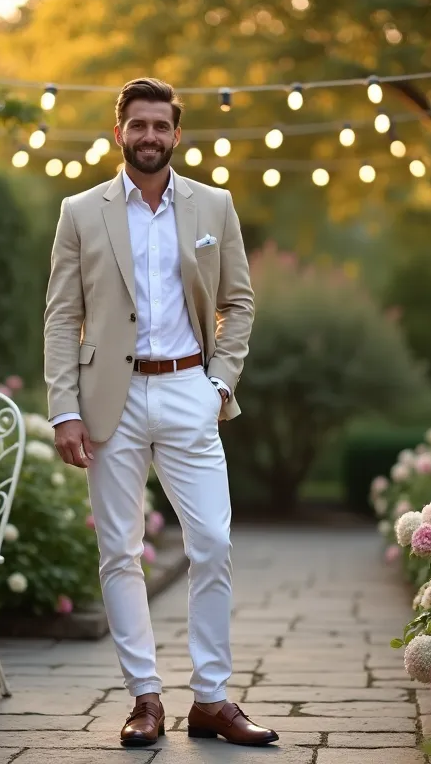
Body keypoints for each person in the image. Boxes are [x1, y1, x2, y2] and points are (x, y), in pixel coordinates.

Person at [43, 77, 277, 748]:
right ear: (119, 132)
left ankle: (211, 699)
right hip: (106, 400)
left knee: (213, 544)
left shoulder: (215, 206)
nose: (149, 136)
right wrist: (64, 409)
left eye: (161, 126)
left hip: (187, 393)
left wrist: (219, 387)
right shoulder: (81, 211)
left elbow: (240, 302)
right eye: (137, 125)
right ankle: (145, 698)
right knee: (118, 553)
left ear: (177, 135)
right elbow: (62, 317)